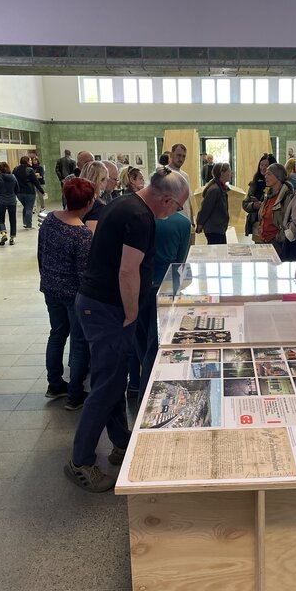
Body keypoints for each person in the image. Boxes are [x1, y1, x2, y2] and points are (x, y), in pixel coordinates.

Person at [64, 166, 189, 492]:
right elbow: (128, 271)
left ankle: (121, 441)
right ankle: (80, 461)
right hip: (107, 308)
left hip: (98, 304)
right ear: (165, 199)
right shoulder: (140, 217)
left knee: (114, 378)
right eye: (176, 206)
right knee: (106, 385)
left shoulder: (122, 203)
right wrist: (132, 313)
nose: (174, 213)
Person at [38, 178, 94, 410]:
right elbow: (84, 273)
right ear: (89, 202)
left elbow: (40, 252)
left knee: (57, 334)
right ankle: (75, 394)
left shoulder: (50, 220)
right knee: (79, 342)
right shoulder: (82, 234)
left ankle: (54, 384)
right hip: (73, 294)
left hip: (50, 288)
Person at [137, 209, 192, 399]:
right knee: (154, 346)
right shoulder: (182, 223)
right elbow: (180, 262)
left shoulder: (142, 218)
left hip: (139, 286)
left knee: (140, 341)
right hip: (165, 288)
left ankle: (135, 386)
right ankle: (147, 392)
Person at [258, 162, 293, 254]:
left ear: (279, 177)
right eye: (265, 174)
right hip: (265, 241)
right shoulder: (268, 195)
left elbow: (288, 221)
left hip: (277, 243)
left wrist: (278, 238)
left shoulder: (286, 196)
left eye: (269, 174)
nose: (265, 177)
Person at [195, 162, 231, 244]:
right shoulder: (215, 190)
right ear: (222, 173)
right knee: (217, 254)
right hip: (214, 229)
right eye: (229, 171)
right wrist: (200, 224)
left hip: (218, 228)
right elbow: (205, 208)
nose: (230, 174)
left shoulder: (220, 188)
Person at [242, 153, 276, 237]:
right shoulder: (255, 182)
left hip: (271, 226)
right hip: (255, 223)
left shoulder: (276, 184)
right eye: (261, 165)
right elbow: (245, 203)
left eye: (266, 165)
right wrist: (253, 205)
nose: (263, 168)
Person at [13, 155, 45, 229]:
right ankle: (28, 225)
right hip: (29, 192)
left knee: (26, 207)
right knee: (29, 208)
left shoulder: (16, 169)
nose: (31, 162)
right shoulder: (30, 170)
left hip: (19, 192)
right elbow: (36, 182)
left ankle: (25, 222)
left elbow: (14, 180)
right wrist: (42, 191)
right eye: (30, 160)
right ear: (26, 161)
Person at [0, 161, 19, 246]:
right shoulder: (13, 177)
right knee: (13, 219)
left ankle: (3, 234)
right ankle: (12, 238)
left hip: (1, 200)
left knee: (0, 219)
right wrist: (12, 194)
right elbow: (17, 188)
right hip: (12, 200)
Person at [168, 143, 194, 226]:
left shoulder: (185, 175)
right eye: (178, 155)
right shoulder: (163, 174)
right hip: (171, 221)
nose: (181, 159)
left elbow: (188, 200)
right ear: (171, 155)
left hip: (185, 220)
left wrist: (192, 220)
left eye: (183, 156)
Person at [79, 161, 109, 233]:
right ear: (100, 181)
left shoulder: (74, 199)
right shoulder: (97, 206)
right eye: (106, 179)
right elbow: (91, 237)